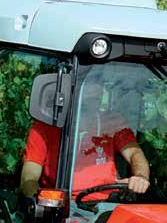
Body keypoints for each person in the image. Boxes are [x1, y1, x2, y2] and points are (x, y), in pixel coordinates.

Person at [20, 79, 150, 200]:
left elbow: (134, 153)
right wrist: (41, 202)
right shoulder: (46, 126)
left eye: (96, 99)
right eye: (86, 103)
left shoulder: (112, 122)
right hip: (61, 207)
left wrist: (140, 177)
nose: (92, 105)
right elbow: (29, 176)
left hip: (106, 206)